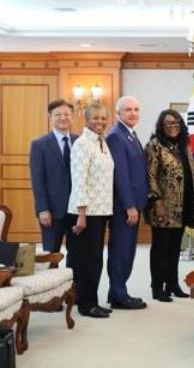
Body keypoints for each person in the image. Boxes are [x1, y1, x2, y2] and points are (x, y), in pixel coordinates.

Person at [145, 109, 194, 302]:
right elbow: (150, 176)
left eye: (176, 123)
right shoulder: (154, 145)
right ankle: (157, 288)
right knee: (160, 248)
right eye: (168, 123)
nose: (173, 126)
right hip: (163, 207)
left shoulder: (184, 145)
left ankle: (172, 284)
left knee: (175, 248)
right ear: (161, 126)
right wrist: (157, 202)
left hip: (183, 206)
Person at [67, 103, 114, 319]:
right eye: (95, 118)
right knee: (87, 261)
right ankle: (86, 305)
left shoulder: (102, 142)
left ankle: (91, 299)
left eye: (104, 118)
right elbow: (79, 181)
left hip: (101, 210)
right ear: (86, 120)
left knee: (95, 259)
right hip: (86, 212)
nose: (100, 122)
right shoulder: (82, 144)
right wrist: (82, 214)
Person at [105, 96, 149, 310]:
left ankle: (118, 291)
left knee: (128, 250)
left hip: (134, 204)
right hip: (125, 207)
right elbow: (120, 175)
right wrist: (129, 206)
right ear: (118, 114)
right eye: (128, 110)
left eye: (136, 109)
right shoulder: (115, 136)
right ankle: (119, 295)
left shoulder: (130, 134)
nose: (133, 113)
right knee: (121, 250)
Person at [29, 99, 78, 270]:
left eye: (66, 115)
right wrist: (42, 209)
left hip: (77, 210)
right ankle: (51, 292)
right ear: (50, 117)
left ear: (72, 117)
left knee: (77, 255)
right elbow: (38, 180)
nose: (63, 118)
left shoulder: (79, 142)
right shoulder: (40, 144)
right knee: (50, 255)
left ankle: (74, 292)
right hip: (51, 211)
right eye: (58, 115)